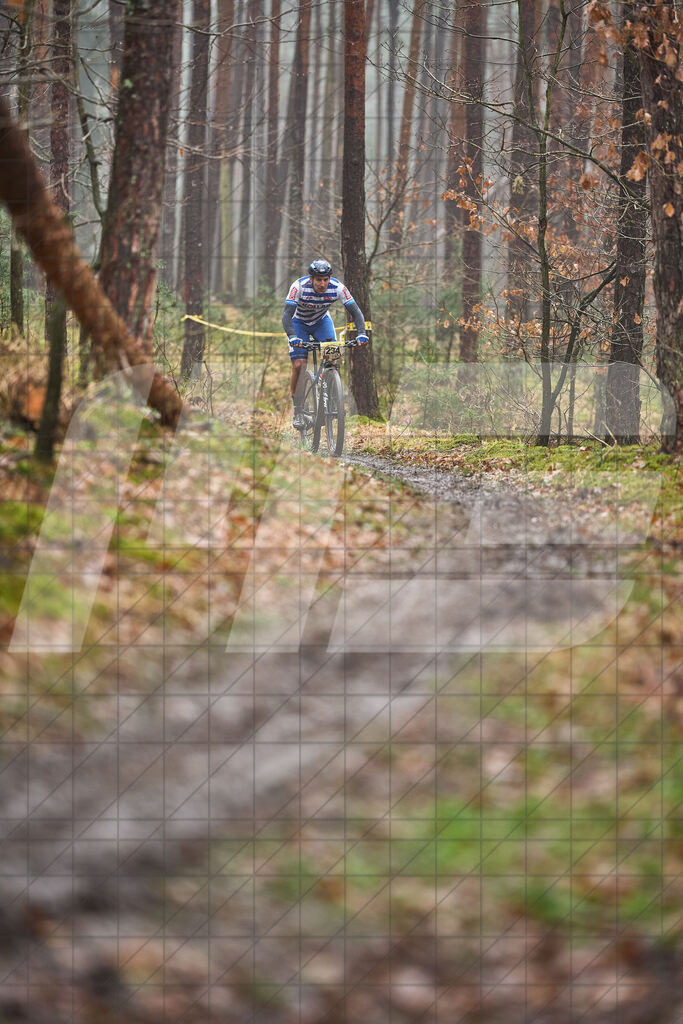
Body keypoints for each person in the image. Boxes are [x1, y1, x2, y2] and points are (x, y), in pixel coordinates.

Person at [282, 258, 368, 428]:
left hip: (322, 322)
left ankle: (331, 393)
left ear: (329, 279)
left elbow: (356, 312)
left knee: (333, 358)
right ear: (311, 279)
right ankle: (298, 410)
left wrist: (362, 333)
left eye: (325, 280)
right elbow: (286, 315)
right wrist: (292, 336)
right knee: (299, 365)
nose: (322, 284)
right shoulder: (298, 287)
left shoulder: (338, 288)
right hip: (299, 323)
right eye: (318, 280)